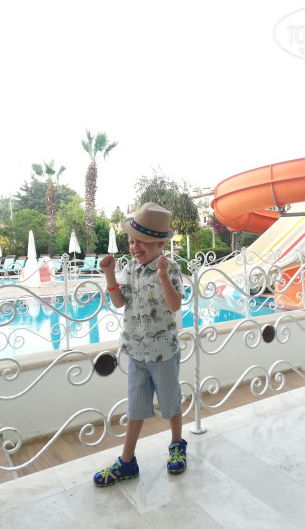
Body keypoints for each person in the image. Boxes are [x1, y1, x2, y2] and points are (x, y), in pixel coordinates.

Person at [93, 202, 187, 487]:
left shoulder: (171, 268)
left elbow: (174, 305)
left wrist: (162, 277)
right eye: (132, 241)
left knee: (170, 403)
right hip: (136, 351)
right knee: (135, 407)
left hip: (163, 353)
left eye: (141, 241)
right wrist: (110, 274)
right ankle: (127, 462)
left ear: (160, 244)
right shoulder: (131, 269)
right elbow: (119, 302)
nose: (134, 247)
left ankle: (176, 444)